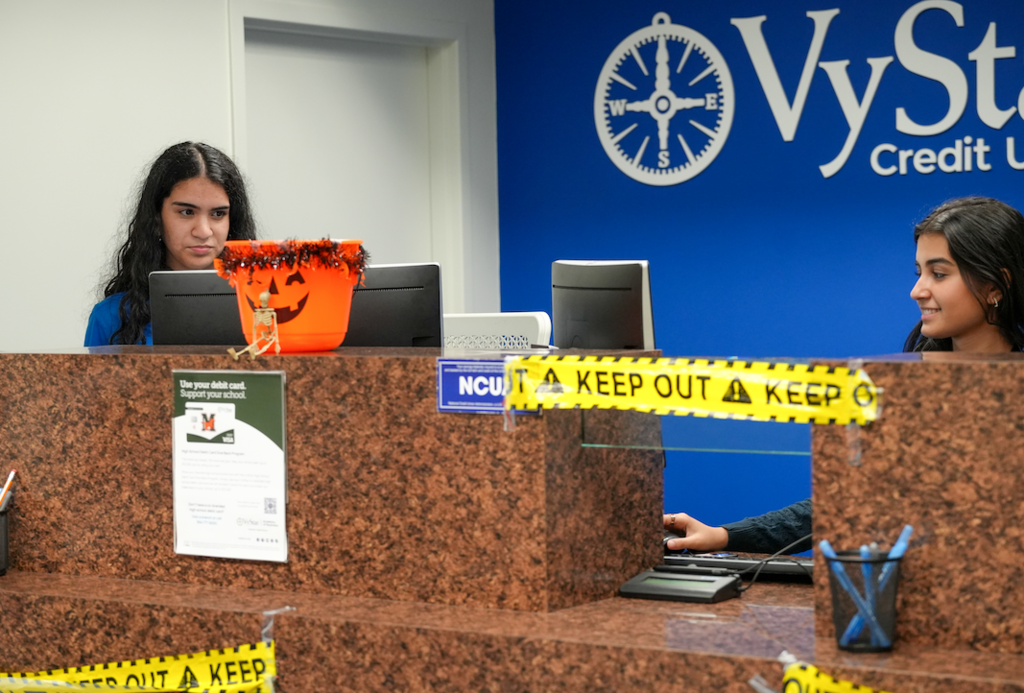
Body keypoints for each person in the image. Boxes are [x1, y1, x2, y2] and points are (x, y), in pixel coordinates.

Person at [665, 196, 1024, 554]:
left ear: (996, 286)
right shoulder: (904, 385)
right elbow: (851, 498)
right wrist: (726, 536)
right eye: (919, 273)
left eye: (939, 274)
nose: (917, 291)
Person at [85, 142, 257, 346]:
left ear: (233, 222)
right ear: (156, 219)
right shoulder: (110, 317)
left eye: (218, 214)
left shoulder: (267, 310)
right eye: (186, 212)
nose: (203, 231)